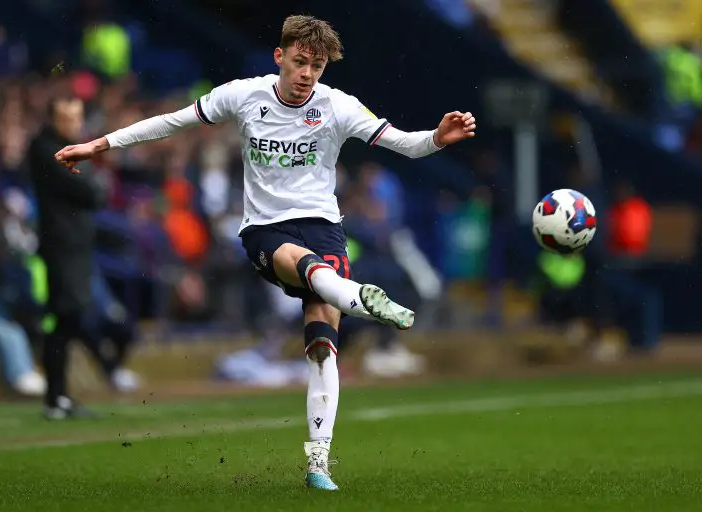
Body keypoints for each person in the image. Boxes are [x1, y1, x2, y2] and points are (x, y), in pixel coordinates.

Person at [54, 15, 477, 490]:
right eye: (300, 63)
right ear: (280, 56)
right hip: (265, 230)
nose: (307, 75)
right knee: (304, 266)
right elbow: (171, 122)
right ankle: (358, 298)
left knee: (322, 349)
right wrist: (99, 144)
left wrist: (438, 139)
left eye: (316, 67)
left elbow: (402, 142)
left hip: (324, 228)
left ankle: (319, 461)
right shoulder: (243, 94)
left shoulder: (337, 106)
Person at [29, 96, 118, 419]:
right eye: (66, 118)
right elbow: (91, 192)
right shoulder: (44, 147)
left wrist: (95, 186)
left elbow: (97, 191)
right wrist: (94, 186)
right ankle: (56, 397)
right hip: (59, 247)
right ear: (52, 118)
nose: (72, 125)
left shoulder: (75, 149)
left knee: (70, 317)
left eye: (76, 118)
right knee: (64, 317)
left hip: (77, 248)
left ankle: (59, 396)